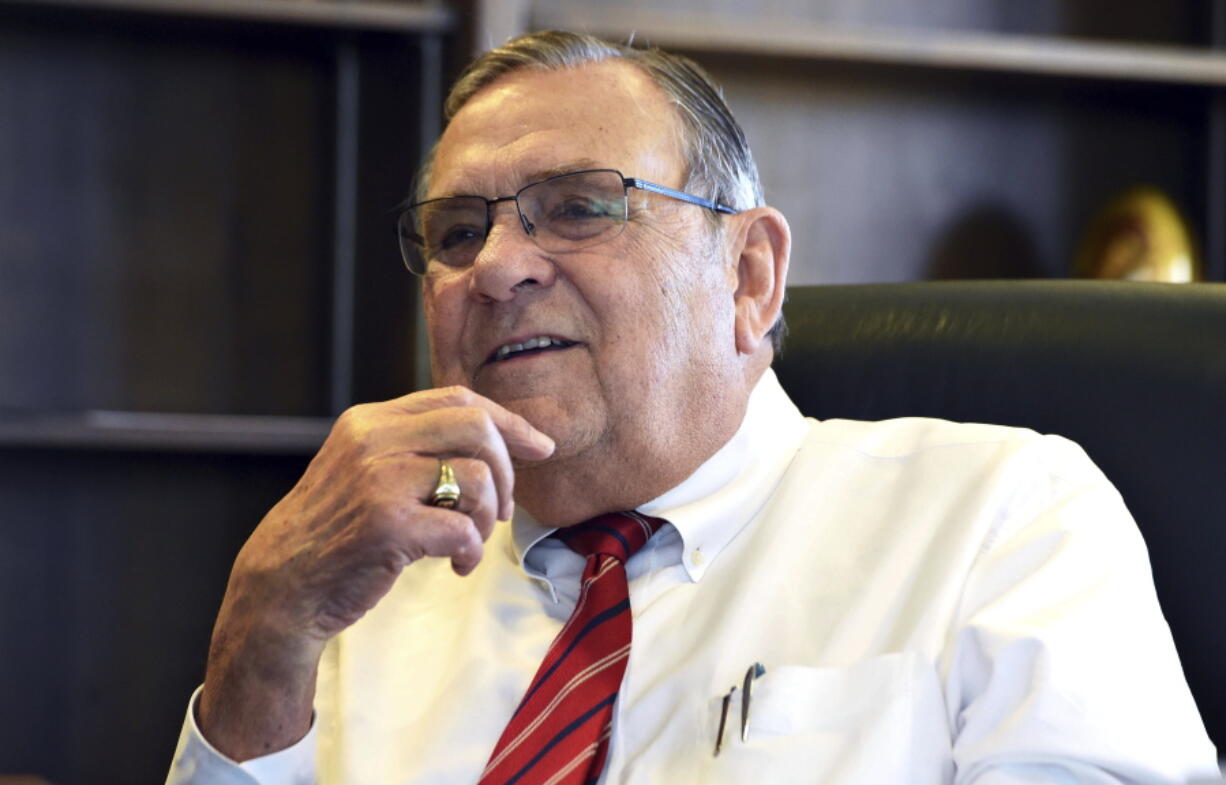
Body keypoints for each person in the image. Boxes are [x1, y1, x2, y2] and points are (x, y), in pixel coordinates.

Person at [166, 30, 1216, 785]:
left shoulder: (1001, 513)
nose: (492, 269)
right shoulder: (363, 583)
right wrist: (261, 628)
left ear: (749, 275)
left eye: (576, 206)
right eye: (454, 233)